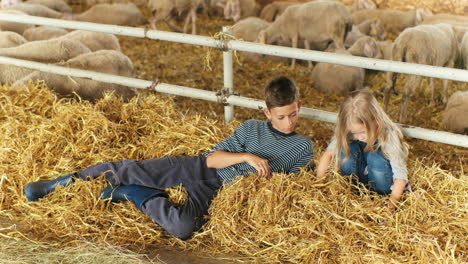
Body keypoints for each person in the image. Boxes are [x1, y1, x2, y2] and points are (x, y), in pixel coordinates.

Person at [25, 76, 314, 240]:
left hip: (218, 193)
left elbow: (290, 187)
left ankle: (136, 195)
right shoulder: (251, 128)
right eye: (281, 117)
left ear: (299, 106)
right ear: (267, 113)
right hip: (198, 169)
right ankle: (59, 184)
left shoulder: (302, 147)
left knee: (184, 229)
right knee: (127, 168)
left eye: (293, 114)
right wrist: (247, 157)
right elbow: (212, 158)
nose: (289, 122)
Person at [316, 90, 409, 211]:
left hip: (381, 187)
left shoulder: (388, 136)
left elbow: (401, 177)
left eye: (363, 132)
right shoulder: (350, 132)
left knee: (375, 157)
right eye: (354, 133)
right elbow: (328, 153)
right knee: (346, 148)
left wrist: (390, 208)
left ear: (376, 121)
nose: (360, 137)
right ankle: (352, 187)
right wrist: (318, 186)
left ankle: (377, 193)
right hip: (358, 184)